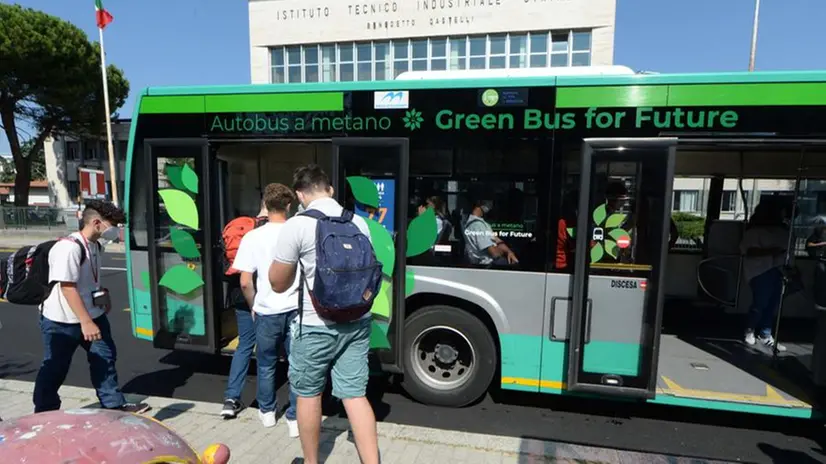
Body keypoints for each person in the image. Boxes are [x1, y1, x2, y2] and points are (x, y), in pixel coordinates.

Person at [269, 165, 379, 464]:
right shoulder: (358, 222)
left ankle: (312, 461)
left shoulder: (297, 225)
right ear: (329, 189)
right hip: (357, 320)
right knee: (355, 396)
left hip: (315, 323)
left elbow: (277, 284)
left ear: (301, 194)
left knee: (308, 394)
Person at [33, 200, 150, 414]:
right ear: (97, 223)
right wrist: (86, 322)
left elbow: (87, 281)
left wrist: (103, 294)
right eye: (112, 225)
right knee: (55, 367)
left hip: (92, 314)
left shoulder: (96, 246)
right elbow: (67, 287)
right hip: (62, 321)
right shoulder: (68, 247)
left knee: (105, 358)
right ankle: (45, 411)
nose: (115, 230)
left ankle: (114, 404)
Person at [230, 183, 300, 435]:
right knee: (297, 365)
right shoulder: (297, 233)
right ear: (289, 206)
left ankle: (268, 412)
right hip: (295, 310)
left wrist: (253, 305)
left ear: (265, 206)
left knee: (266, 364)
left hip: (266, 310)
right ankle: (294, 417)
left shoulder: (252, 237)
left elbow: (245, 281)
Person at [220, 201, 268, 419]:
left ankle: (231, 399)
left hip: (240, 294)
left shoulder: (239, 228)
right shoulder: (273, 230)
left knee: (245, 346)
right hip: (264, 296)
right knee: (269, 350)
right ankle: (265, 403)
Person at [739, 200, 788, 351]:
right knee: (760, 302)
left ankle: (766, 333)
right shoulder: (754, 232)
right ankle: (750, 329)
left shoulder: (782, 231)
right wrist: (771, 251)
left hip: (778, 269)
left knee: (773, 303)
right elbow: (749, 251)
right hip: (759, 270)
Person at [463, 199, 518, 266]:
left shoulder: (483, 224)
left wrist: (509, 252)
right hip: (487, 266)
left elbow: (497, 240)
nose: (491, 204)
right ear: (479, 202)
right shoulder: (477, 225)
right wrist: (503, 252)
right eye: (489, 200)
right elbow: (494, 253)